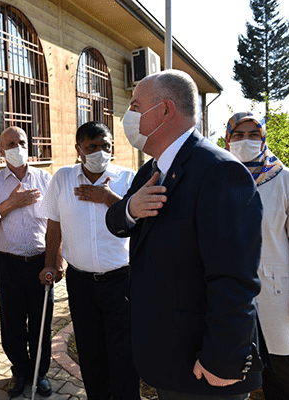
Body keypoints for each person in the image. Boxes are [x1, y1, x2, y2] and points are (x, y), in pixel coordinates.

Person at [105, 70, 264, 399]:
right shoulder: (152, 170)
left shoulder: (219, 171)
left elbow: (234, 279)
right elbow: (115, 223)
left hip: (204, 369)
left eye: (135, 106)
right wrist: (130, 209)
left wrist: (221, 360)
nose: (128, 115)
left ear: (164, 110)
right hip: (171, 359)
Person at [41, 121, 139, 399]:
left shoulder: (128, 179)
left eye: (105, 146)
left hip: (121, 281)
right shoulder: (62, 178)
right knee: (90, 349)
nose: (99, 152)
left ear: (113, 147)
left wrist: (110, 199)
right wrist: (51, 262)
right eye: (92, 147)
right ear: (78, 150)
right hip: (80, 282)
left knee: (123, 352)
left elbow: (139, 223)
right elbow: (54, 224)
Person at [225, 111, 289, 400]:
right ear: (227, 139)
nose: (245, 140)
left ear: (264, 138)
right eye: (238, 135)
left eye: (254, 134)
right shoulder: (219, 178)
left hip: (277, 287)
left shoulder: (285, 179)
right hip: (228, 288)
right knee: (235, 364)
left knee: (281, 366)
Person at [0, 126, 55, 397]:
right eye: (10, 143)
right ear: (1, 151)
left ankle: (41, 373)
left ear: (30, 145)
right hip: (9, 263)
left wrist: (55, 260)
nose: (17, 147)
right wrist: (11, 203)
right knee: (12, 322)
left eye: (21, 142)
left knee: (42, 321)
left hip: (40, 262)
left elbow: (55, 223)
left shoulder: (44, 179)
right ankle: (19, 370)